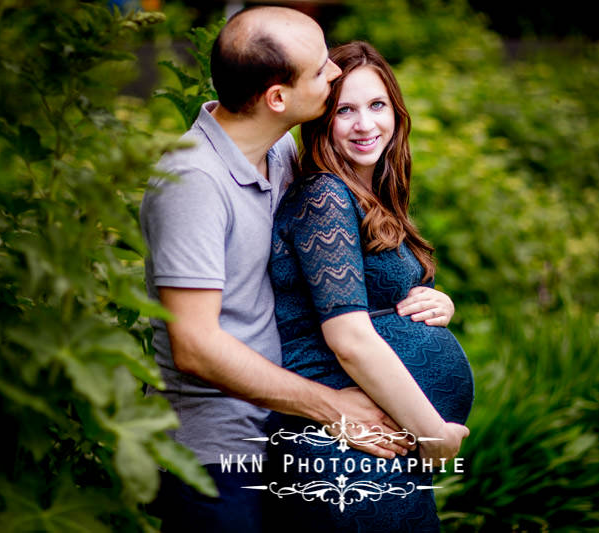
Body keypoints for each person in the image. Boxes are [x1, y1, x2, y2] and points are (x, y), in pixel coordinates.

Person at [139, 8, 451, 532]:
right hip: (217, 456)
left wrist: (422, 303)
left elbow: (320, 275)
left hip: (286, 435)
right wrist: (331, 407)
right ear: (278, 98)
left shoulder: (279, 148)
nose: (334, 73)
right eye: (321, 67)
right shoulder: (192, 182)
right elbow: (193, 345)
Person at [267, 41, 475, 532]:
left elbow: (369, 305)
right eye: (346, 111)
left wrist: (435, 301)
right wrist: (434, 435)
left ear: (396, 112)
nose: (365, 124)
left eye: (377, 105)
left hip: (375, 447)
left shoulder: (365, 194)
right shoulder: (324, 195)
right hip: (342, 452)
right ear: (322, 120)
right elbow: (350, 340)